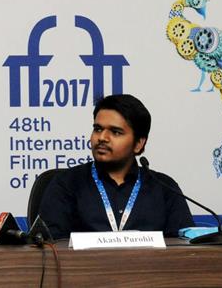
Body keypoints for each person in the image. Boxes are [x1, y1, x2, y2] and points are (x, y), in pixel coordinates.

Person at [39, 94, 194, 239]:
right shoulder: (66, 184)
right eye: (98, 129)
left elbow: (185, 248)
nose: (102, 138)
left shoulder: (164, 188)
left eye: (116, 132)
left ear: (139, 144)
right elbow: (50, 246)